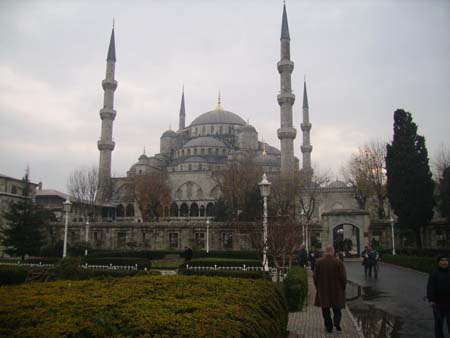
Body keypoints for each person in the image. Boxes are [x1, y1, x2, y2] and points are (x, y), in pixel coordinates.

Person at [313, 245, 347, 333]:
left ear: (325, 251)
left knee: (325, 309)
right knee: (337, 308)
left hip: (323, 290)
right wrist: (343, 287)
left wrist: (318, 287)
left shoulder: (319, 262)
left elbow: (315, 277)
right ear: (333, 252)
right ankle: (336, 322)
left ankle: (329, 326)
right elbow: (343, 277)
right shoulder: (338, 262)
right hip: (337, 289)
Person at [427, 254, 450, 338]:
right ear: (438, 262)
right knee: (438, 324)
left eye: (446, 260)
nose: (444, 262)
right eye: (442, 260)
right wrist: (431, 299)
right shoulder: (434, 273)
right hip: (438, 304)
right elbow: (430, 287)